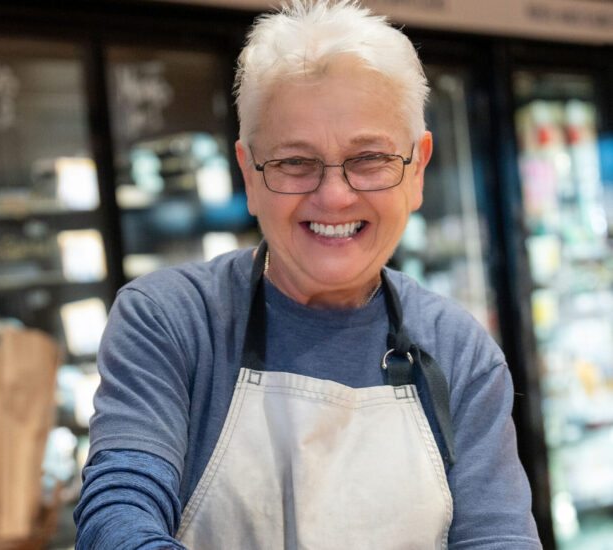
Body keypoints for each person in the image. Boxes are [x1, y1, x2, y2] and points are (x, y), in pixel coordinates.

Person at [74, 1, 542, 548]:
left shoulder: (460, 354)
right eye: (296, 163)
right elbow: (117, 516)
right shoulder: (172, 321)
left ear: (417, 169)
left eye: (370, 158)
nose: (335, 195)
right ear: (249, 174)